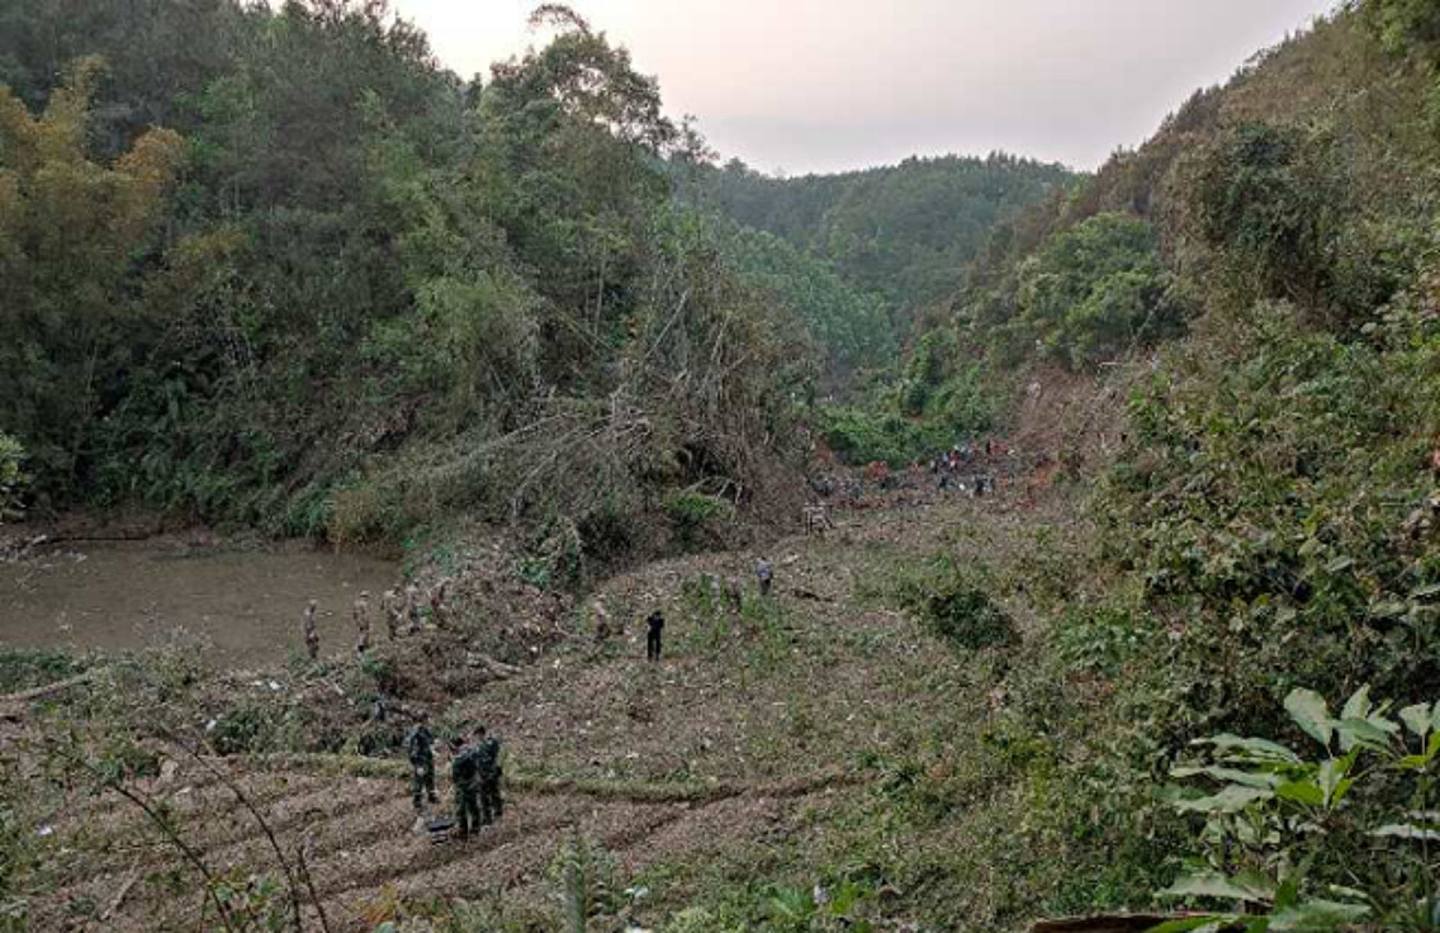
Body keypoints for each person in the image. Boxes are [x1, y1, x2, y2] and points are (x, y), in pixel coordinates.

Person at [404, 712, 439, 813]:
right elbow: (412, 749)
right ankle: (417, 803)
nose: (428, 721)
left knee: (430, 778)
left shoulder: (425, 730)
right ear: (423, 719)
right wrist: (417, 765)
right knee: (419, 781)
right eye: (426, 719)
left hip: (428, 758)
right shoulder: (416, 731)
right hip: (420, 760)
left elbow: (430, 740)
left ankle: (431, 796)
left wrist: (434, 745)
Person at [449, 736, 482, 840]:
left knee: (461, 809)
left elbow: (455, 777)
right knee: (473, 806)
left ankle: (463, 832)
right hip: (474, 781)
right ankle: (475, 829)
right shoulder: (472, 750)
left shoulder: (458, 760)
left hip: (463, 785)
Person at [473, 725, 503, 824]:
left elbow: (479, 760)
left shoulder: (483, 746)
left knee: (485, 796)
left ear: (480, 734)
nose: (476, 738)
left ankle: (489, 817)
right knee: (493, 794)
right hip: (489, 773)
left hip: (486, 774)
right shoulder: (490, 743)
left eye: (477, 735)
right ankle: (496, 813)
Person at [353, 591, 371, 655]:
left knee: (359, 634)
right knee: (363, 635)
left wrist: (356, 621)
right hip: (363, 622)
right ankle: (361, 649)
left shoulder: (356, 603)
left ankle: (358, 648)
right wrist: (367, 623)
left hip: (358, 622)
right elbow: (366, 614)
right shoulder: (364, 604)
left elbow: (354, 614)